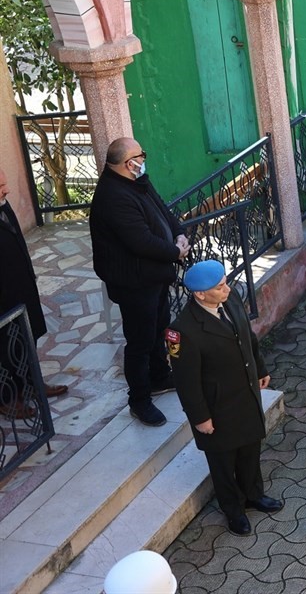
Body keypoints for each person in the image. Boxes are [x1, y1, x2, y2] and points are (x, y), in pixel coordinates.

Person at [170, 260, 280, 536]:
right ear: (200, 294)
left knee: (250, 450)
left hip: (244, 395)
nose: (227, 290)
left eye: (225, 283)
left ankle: (254, 495)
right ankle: (234, 511)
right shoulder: (182, 330)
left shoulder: (229, 303)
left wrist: (260, 368)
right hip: (217, 409)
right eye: (220, 287)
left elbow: (247, 337)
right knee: (223, 465)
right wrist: (200, 418)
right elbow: (186, 381)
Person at [89, 137, 187, 427]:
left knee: (159, 328)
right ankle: (140, 400)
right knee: (140, 341)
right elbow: (140, 241)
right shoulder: (113, 195)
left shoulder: (137, 181)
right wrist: (175, 251)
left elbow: (162, 210)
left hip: (154, 276)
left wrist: (179, 232)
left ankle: (159, 377)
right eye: (140, 155)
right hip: (134, 282)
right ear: (128, 163)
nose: (144, 160)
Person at [0, 169, 68, 419]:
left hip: (21, 288)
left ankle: (32, 384)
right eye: (0, 187)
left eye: (4, 184)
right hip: (3, 301)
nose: (5, 191)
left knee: (28, 338)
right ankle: (8, 398)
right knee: (5, 350)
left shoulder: (4, 206)